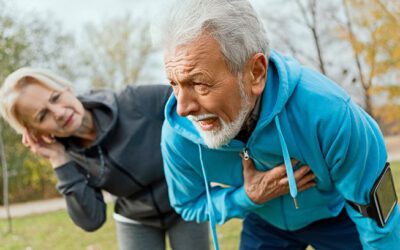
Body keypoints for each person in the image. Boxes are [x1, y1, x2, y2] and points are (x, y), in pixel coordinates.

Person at [160, 0, 400, 249]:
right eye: (174, 85)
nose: (182, 108)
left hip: (336, 218)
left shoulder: (331, 114)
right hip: (265, 223)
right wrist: (247, 197)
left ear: (256, 72)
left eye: (200, 84)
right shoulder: (178, 135)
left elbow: (380, 221)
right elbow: (188, 204)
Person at [0, 67, 210, 250]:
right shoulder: (69, 156)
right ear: (35, 132)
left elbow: (194, 107)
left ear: (67, 89)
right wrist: (59, 159)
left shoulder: (135, 101)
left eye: (55, 98)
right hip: (134, 219)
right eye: (42, 116)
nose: (59, 113)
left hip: (184, 203)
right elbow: (91, 220)